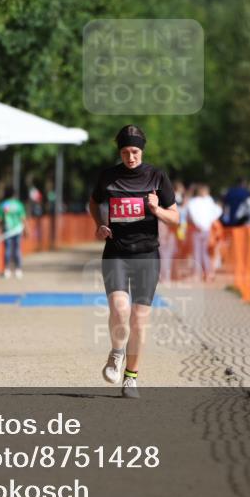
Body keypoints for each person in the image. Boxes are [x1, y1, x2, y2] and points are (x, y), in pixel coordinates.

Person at [89, 125, 180, 399]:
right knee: (119, 310)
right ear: (120, 152)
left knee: (140, 319)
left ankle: (131, 377)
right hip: (116, 251)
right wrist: (100, 224)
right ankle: (117, 353)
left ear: (142, 150)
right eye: (126, 152)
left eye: (135, 152)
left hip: (146, 255)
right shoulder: (108, 176)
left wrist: (157, 210)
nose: (131, 157)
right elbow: (93, 203)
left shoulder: (156, 177)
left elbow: (175, 219)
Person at [186, 184, 223, 281]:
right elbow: (218, 211)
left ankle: (199, 273)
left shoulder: (194, 202)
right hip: (206, 229)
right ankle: (208, 273)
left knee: (198, 252)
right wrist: (209, 221)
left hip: (197, 229)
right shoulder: (209, 201)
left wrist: (199, 224)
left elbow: (191, 215)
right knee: (204, 252)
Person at [0, 190, 27, 279]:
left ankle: (7, 270)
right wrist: (26, 229)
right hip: (18, 229)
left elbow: (0, 218)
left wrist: (0, 228)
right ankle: (18, 270)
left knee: (7, 250)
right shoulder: (19, 204)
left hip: (7, 230)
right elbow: (23, 218)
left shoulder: (3, 204)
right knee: (17, 249)